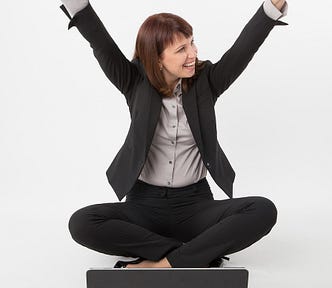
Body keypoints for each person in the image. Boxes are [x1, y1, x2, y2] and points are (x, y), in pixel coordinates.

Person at [60, 0, 288, 268]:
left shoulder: (208, 80)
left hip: (196, 206)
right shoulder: (132, 80)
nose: (192, 53)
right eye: (181, 49)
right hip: (143, 206)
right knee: (82, 223)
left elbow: (243, 49)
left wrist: (272, 6)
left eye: (192, 43)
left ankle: (161, 262)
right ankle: (192, 253)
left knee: (263, 210)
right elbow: (100, 42)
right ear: (157, 58)